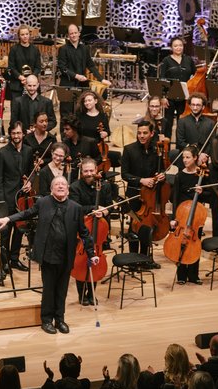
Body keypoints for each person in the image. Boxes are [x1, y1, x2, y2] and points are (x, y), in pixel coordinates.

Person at [0, 176, 97, 335]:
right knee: (49, 290)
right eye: (57, 184)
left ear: (68, 189)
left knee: (62, 290)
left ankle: (60, 319)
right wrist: (8, 218)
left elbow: (84, 233)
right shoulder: (43, 203)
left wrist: (91, 254)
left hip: (66, 256)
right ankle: (46, 320)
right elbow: (26, 213)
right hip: (48, 255)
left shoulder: (76, 207)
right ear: (51, 189)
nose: (61, 186)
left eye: (63, 184)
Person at [69, 158, 112, 304]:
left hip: (98, 230)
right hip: (81, 229)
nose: (89, 174)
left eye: (91, 171)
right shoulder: (75, 187)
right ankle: (81, 295)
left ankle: (92, 294)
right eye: (86, 171)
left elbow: (109, 206)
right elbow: (75, 208)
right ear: (82, 172)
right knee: (80, 261)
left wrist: (104, 212)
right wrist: (94, 209)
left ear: (96, 171)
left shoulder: (105, 186)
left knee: (95, 259)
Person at [0, 122, 34, 275]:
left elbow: (30, 172)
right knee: (5, 232)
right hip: (7, 197)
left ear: (23, 134)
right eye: (13, 133)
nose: (16, 136)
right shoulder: (2, 153)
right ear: (10, 134)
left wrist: (30, 182)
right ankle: (4, 262)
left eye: (19, 133)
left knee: (19, 230)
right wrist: (1, 201)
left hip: (23, 198)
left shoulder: (28, 151)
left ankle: (14, 259)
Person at [120, 121, 165, 256]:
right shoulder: (129, 149)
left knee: (146, 226)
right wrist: (142, 180)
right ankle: (133, 257)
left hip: (151, 195)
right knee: (134, 225)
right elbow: (125, 174)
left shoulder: (157, 150)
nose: (141, 136)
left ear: (152, 133)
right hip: (135, 193)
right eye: (139, 133)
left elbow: (161, 168)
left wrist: (162, 175)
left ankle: (145, 257)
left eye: (145, 133)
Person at [57, 23, 110, 119]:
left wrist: (101, 79)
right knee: (66, 115)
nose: (73, 35)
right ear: (68, 35)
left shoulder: (85, 48)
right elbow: (62, 67)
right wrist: (76, 76)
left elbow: (91, 65)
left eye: (75, 33)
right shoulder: (63, 49)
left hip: (81, 86)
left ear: (79, 33)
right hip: (67, 85)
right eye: (71, 33)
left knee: (80, 113)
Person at [171, 145, 205, 285]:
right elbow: (175, 198)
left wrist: (202, 190)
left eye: (188, 157)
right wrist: (174, 218)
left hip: (197, 215)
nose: (184, 160)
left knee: (194, 243)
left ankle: (193, 275)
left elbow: (210, 195)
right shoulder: (179, 175)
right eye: (183, 157)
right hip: (182, 214)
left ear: (195, 158)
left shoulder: (201, 174)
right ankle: (181, 275)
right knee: (181, 244)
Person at [159, 36, 196, 141]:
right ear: (171, 47)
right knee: (168, 123)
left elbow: (195, 75)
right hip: (170, 96)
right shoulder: (166, 60)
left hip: (185, 96)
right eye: (175, 46)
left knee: (182, 123)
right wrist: (163, 97)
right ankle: (167, 150)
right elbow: (162, 79)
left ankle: (182, 148)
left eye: (180, 45)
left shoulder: (188, 59)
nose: (178, 48)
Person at [175, 93, 214, 165]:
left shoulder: (210, 123)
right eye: (193, 105)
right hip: (186, 159)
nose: (195, 108)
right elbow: (180, 141)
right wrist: (194, 154)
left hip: (203, 159)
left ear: (203, 107)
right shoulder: (182, 121)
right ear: (189, 105)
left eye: (198, 105)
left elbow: (212, 142)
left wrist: (204, 154)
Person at [8, 24, 42, 101]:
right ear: (19, 36)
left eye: (27, 34)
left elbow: (38, 67)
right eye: (22, 34)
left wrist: (30, 79)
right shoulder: (14, 49)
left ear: (29, 35)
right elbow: (11, 67)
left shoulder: (35, 49)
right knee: (17, 110)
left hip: (32, 85)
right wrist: (21, 77)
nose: (25, 36)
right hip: (17, 84)